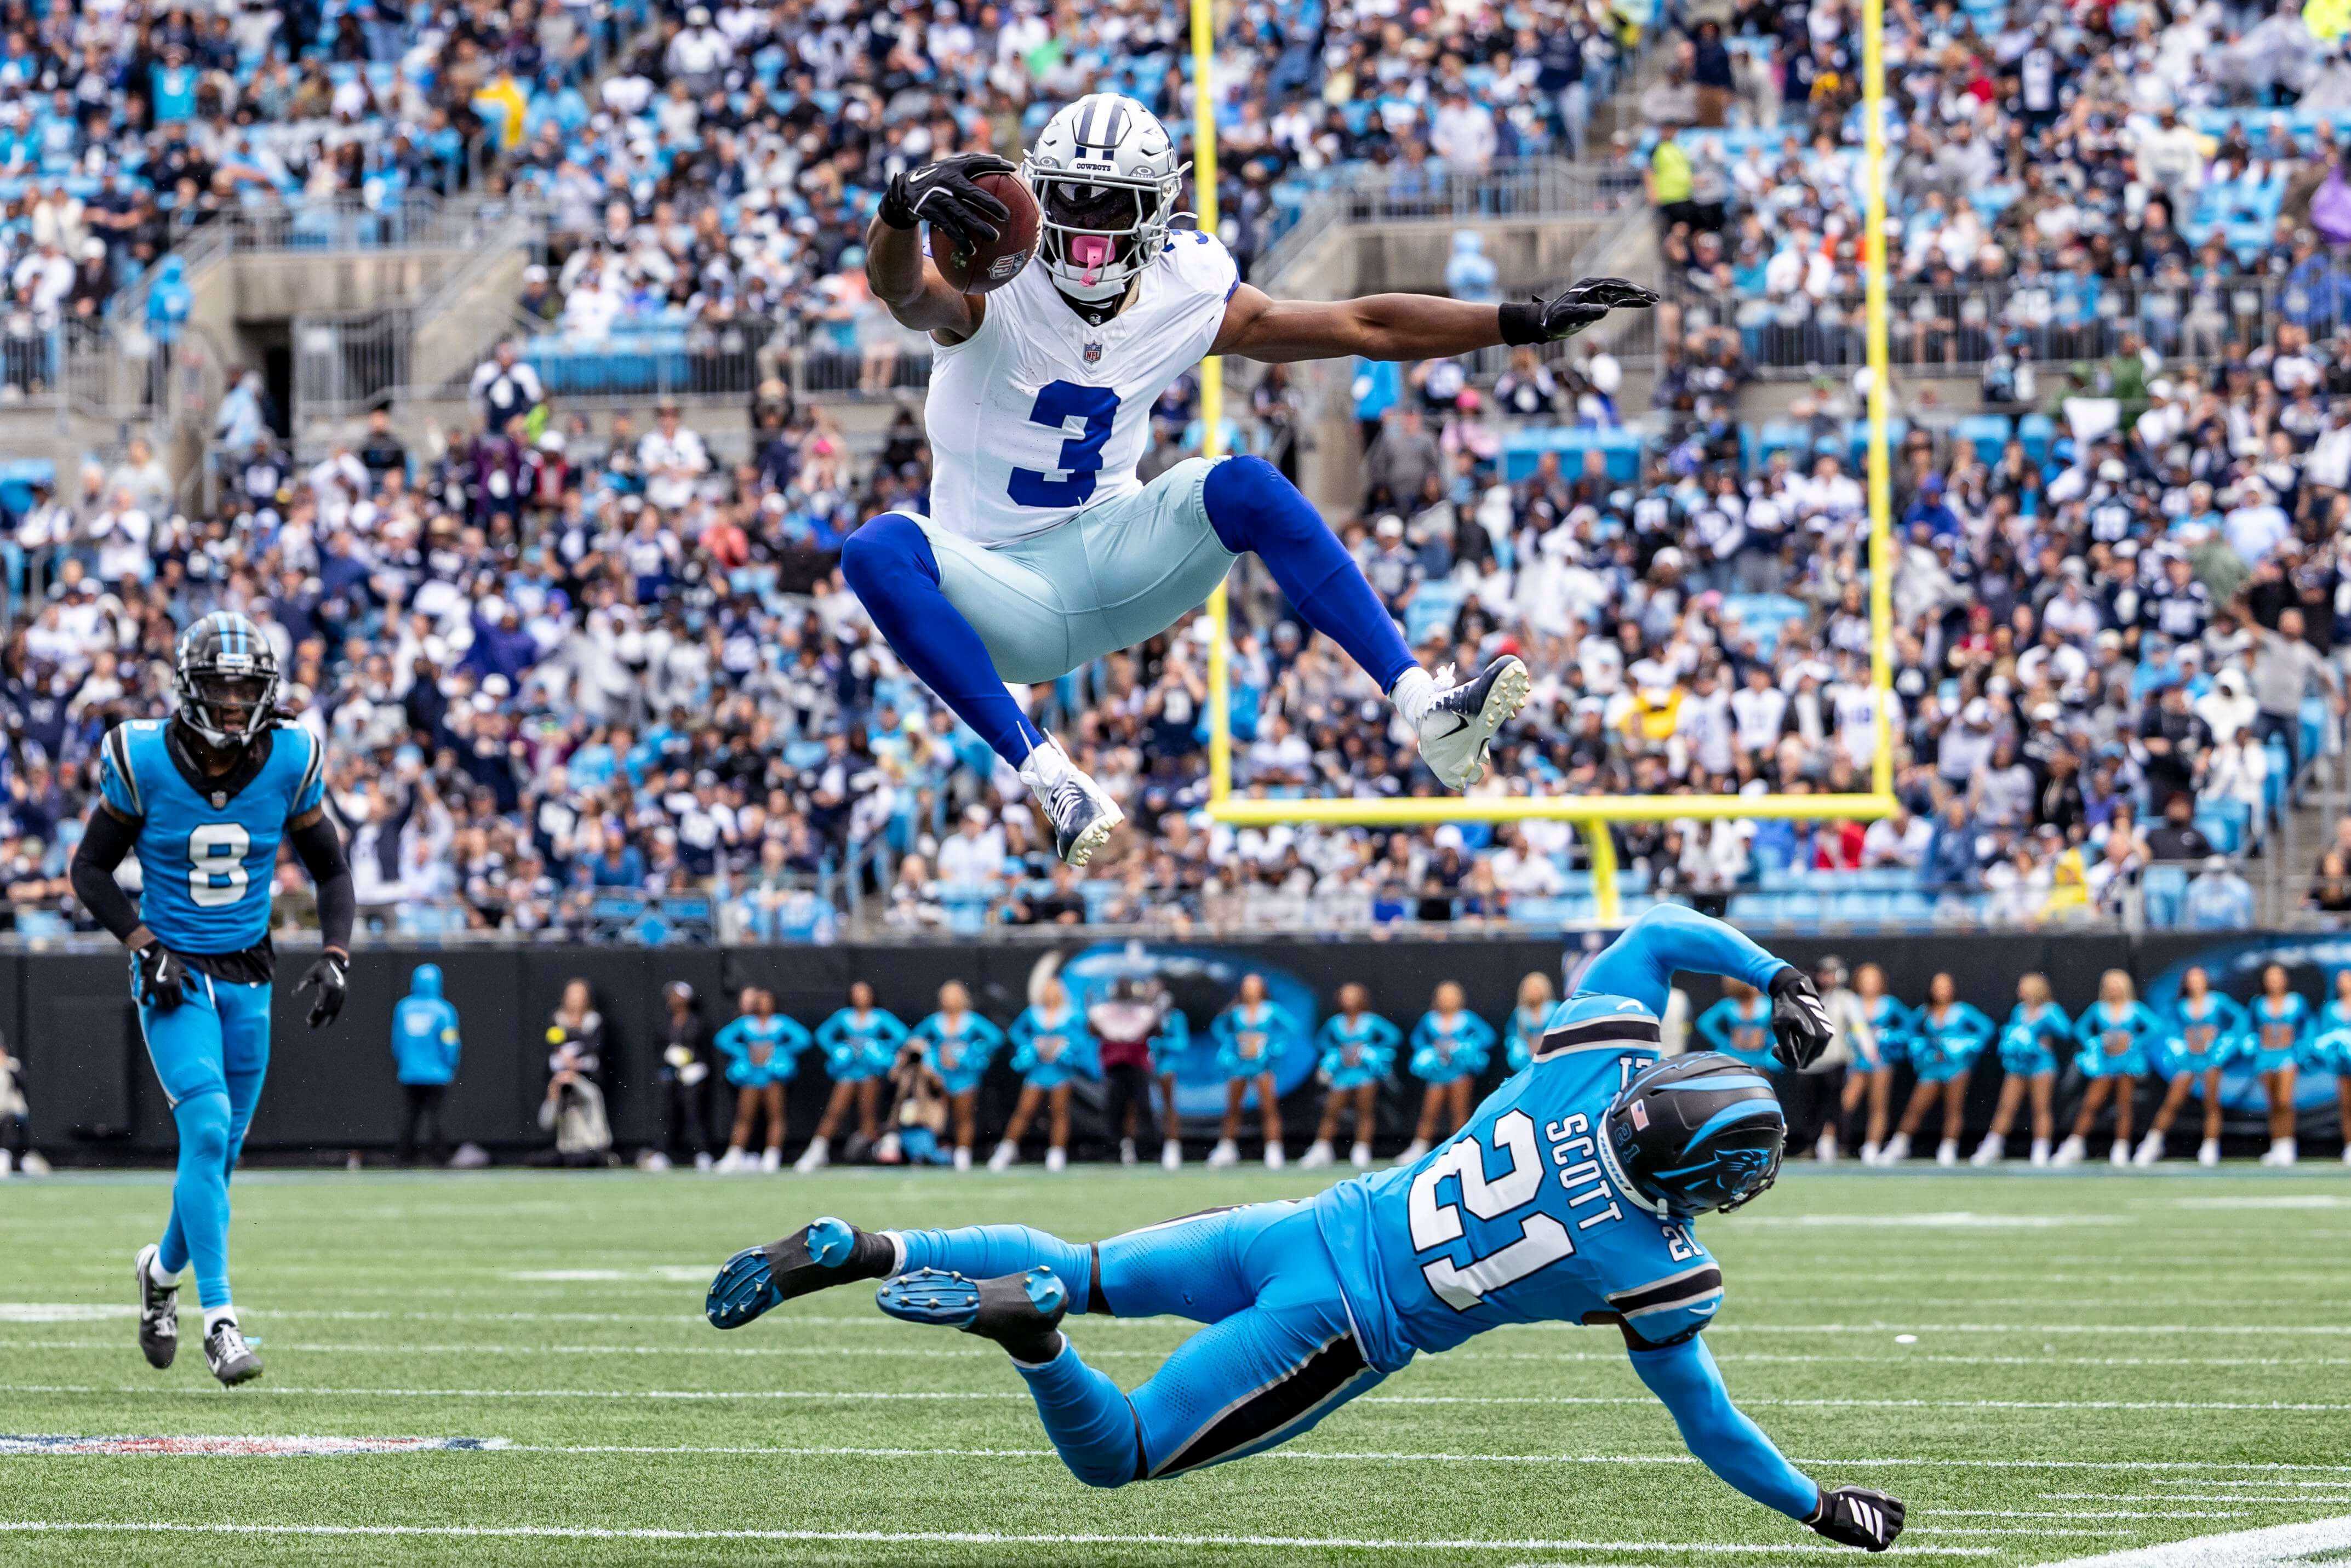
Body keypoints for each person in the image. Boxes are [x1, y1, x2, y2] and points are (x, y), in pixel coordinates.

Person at [703, 907, 1899, 1554]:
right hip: (1334, 1326)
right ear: (1706, 1181)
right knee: (1119, 1451)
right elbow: (1714, 1428)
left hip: (1304, 1225)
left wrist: (1772, 973)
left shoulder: (1585, 1071)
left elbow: (1650, 933)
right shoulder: (1656, 1270)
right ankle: (1032, 1342)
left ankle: (867, 1248)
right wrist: (1812, 1506)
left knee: (1079, 1263)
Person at [839, 98, 1656, 866]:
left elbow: (1359, 326)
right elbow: (901, 289)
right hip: (999, 594)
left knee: (1244, 485)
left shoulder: (1183, 288)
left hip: (1117, 554)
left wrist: (1518, 321)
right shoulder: (995, 289)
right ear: (1035, 200)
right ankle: (1050, 776)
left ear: (1156, 211)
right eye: (1070, 205)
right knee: (878, 548)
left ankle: (1422, 705)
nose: (1087, 233)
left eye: (1109, 208)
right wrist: (899, 210)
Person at [70, 613, 353, 1387]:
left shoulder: (292, 755)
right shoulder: (141, 754)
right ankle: (221, 1322)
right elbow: (89, 870)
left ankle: (159, 1274)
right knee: (208, 1123)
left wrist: (335, 954)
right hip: (175, 970)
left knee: (219, 1156)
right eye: (220, 689)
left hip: (251, 973)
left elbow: (332, 868)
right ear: (190, 690)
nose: (233, 705)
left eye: (245, 689)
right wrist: (143, 945)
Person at [1880, 974, 1992, 1168]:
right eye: (1938, 986)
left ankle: (1949, 1147)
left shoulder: (1962, 1011)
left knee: (1953, 1109)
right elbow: (1908, 1030)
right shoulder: (1925, 1012)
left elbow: (1986, 1029)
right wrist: (1921, 1047)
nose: (1942, 991)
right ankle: (1900, 1145)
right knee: (1915, 1108)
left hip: (1957, 1068)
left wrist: (1964, 1046)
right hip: (1931, 1067)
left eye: (1946, 986)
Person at [2057, 971, 2163, 1166]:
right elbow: (2080, 1029)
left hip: (2127, 1063)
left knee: (2125, 1106)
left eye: (2117, 984)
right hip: (2105, 1062)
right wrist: (2096, 1042)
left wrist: (2133, 1041)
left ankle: (2121, 1147)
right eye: (2110, 985)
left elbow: (2155, 1027)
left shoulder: (2134, 1009)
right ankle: (2075, 1143)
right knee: (2091, 1103)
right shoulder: (2099, 1009)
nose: (2114, 988)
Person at [2147, 966, 2247, 1168]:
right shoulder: (2181, 1006)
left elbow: (2241, 1019)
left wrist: (2225, 1044)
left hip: (2210, 1059)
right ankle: (2152, 1144)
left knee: (2211, 1103)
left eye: (2199, 979)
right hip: (2189, 1060)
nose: (2196, 983)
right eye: (2191, 979)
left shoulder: (2218, 1001)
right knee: (2173, 1101)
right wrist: (2178, 1046)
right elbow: (2171, 1030)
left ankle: (2210, 1146)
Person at [994, 976, 1097, 1172]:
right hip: (1038, 1070)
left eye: (1054, 990)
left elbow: (1082, 1039)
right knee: (1024, 1111)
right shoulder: (1034, 1014)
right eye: (1047, 990)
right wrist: (1033, 1045)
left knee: (1059, 1112)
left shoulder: (1071, 1015)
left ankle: (1057, 1154)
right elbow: (1016, 1033)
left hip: (1059, 1071)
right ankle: (1006, 1150)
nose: (1050, 994)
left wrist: (1063, 1046)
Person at [804, 982, 907, 1171]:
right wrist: (838, 1049)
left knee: (867, 1113)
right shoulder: (844, 1017)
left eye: (864, 993)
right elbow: (823, 1035)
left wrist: (880, 1049)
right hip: (848, 1070)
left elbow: (901, 1035)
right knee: (834, 1111)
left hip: (869, 1071)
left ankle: (866, 1153)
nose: (861, 997)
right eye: (857, 993)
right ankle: (818, 1150)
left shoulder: (879, 1017)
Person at [1973, 974, 2070, 1168]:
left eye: (2023, 986)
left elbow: (2066, 1031)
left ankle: (2041, 1150)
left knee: (2041, 1108)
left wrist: (2042, 1031)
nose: (2019, 990)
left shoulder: (2050, 1010)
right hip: (2018, 1065)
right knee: (2006, 1106)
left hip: (2041, 1065)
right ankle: (1993, 1146)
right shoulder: (2019, 1010)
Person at [1091, 975, 1188, 1169]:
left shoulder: (1149, 1013)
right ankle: (1121, 1149)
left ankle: (1158, 1148)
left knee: (1147, 1106)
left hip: (1146, 1065)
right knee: (1117, 1108)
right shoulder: (1108, 1011)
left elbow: (1163, 1035)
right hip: (1116, 1066)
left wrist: (1156, 1017)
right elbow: (1095, 1030)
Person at [1207, 974, 1300, 1170]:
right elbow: (1218, 1028)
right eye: (1247, 985)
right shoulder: (1236, 1011)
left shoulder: (1271, 1010)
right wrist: (1231, 1044)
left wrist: (1273, 1046)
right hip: (1240, 1063)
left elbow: (1292, 1028)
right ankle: (1227, 1148)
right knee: (1232, 1107)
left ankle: (1274, 1149)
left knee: (1268, 1107)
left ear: (1262, 988)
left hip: (1262, 1065)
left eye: (1254, 985)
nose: (1250, 989)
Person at [1302, 984, 1399, 1170]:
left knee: (1365, 1111)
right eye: (1345, 996)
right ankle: (1322, 1148)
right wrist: (1337, 1054)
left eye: (1354, 996)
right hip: (1342, 1074)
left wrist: (1370, 1051)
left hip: (1364, 1074)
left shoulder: (1371, 1021)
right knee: (1332, 1111)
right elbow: (1322, 1041)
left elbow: (1393, 1036)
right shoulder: (1336, 1022)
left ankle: (1362, 1149)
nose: (1349, 1000)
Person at [911, 981, 1005, 1171]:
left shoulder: (971, 1020)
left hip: (965, 1077)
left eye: (954, 995)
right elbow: (915, 1040)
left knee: (964, 1116)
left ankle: (963, 1155)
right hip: (940, 1077)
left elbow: (996, 1038)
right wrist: (931, 1061)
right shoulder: (935, 1021)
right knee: (937, 1117)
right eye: (946, 995)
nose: (949, 999)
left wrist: (972, 1054)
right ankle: (934, 1153)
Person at [716, 988, 811, 1173]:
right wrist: (746, 1051)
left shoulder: (780, 1023)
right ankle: (735, 1154)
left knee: (776, 1116)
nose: (764, 1004)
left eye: (768, 1001)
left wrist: (777, 1052)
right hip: (751, 1076)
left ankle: (772, 1155)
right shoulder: (746, 1023)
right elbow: (722, 1039)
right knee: (744, 1116)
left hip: (772, 1076)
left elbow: (803, 1039)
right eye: (761, 1001)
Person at [1398, 982, 1494, 1164]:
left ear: (1459, 998)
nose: (1447, 999)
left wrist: (1465, 1047)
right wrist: (1429, 1051)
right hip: (1437, 1073)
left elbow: (1487, 1037)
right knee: (1430, 1111)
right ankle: (1420, 1146)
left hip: (1460, 1072)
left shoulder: (1467, 1018)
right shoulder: (1430, 1019)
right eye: (1443, 996)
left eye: (1451, 995)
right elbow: (1417, 1040)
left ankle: (1460, 1148)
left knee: (1460, 1111)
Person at [1800, 956, 1872, 1163]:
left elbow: (1859, 1025)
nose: (1826, 978)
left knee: (1836, 1106)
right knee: (1810, 1107)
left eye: (1831, 973)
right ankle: (1811, 1144)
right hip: (1809, 1062)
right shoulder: (1809, 998)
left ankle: (1842, 1144)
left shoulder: (1846, 999)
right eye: (1824, 973)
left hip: (1834, 1060)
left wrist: (1868, 1048)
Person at [390, 963, 461, 1168]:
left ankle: (404, 1158)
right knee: (436, 1117)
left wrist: (404, 1064)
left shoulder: (403, 1008)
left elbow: (397, 1042)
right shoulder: (444, 1010)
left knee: (411, 1116)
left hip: (410, 1073)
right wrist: (450, 1065)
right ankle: (439, 1158)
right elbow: (450, 1043)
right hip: (437, 1074)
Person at [540, 980, 613, 1169]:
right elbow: (545, 1123)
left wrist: (575, 1067)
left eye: (579, 995)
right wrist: (554, 1092)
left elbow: (594, 1047)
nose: (575, 1000)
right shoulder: (557, 1019)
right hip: (568, 1148)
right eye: (571, 995)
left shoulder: (594, 1020)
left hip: (588, 1079)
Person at [2246, 963, 2309, 1167]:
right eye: (2270, 977)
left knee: (2284, 1101)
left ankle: (2288, 1144)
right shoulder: (2258, 1003)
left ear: (2285, 980)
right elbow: (2250, 1029)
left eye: (2278, 977)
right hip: (2266, 1057)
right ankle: (2277, 1145)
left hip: (2287, 1056)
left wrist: (2303, 1048)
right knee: (2273, 1103)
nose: (2274, 981)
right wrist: (2252, 1046)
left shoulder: (2296, 1001)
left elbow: (2308, 1026)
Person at [1849, 963, 1912, 1165]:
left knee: (1879, 1105)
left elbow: (1911, 1024)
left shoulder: (1889, 1003)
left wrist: (1890, 1037)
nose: (1869, 984)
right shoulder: (1851, 1002)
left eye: (1874, 979)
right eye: (1865, 979)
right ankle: (1829, 1141)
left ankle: (1873, 1146)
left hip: (1881, 1061)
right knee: (1846, 1102)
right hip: (1856, 1061)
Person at [655, 981, 714, 1171]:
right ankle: (664, 1153)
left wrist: (697, 1067)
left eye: (677, 996)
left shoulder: (698, 1023)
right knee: (668, 1114)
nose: (674, 1000)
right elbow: (660, 1049)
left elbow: (705, 1051)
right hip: (672, 1075)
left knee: (695, 1113)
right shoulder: (666, 1024)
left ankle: (703, 1153)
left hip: (694, 1075)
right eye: (671, 996)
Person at [2313, 974, 2351, 1168]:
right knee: (2346, 1105)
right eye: (2341, 980)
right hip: (2343, 1064)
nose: (2345, 983)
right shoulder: (2331, 1009)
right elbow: (2323, 1036)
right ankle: (2350, 1145)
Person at [1694, 979, 1775, 1067]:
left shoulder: (1766, 1004)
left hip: (1761, 1056)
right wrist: (1723, 1042)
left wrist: (1770, 1040)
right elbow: (1704, 1023)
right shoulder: (1728, 1004)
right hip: (1733, 1054)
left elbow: (1782, 1026)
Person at [1502, 971, 1556, 1072]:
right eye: (1530, 988)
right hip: (1528, 1062)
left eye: (1536, 987)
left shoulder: (1554, 1010)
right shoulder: (1520, 1014)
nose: (1533, 991)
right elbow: (1513, 1037)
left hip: (1552, 1059)